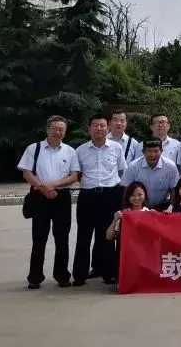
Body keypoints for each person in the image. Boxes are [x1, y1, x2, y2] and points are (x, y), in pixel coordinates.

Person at [19, 115, 80, 289]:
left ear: (65, 132)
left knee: (62, 238)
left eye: (61, 129)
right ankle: (35, 277)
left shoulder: (70, 151)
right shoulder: (34, 148)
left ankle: (62, 275)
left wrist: (53, 185)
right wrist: (43, 188)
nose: (57, 132)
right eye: (54, 128)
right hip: (39, 197)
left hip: (62, 197)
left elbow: (74, 176)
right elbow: (26, 173)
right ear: (47, 129)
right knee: (39, 238)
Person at [73, 113, 128, 286]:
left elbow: (122, 171)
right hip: (88, 195)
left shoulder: (116, 148)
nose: (99, 128)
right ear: (89, 128)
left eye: (102, 125)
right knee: (84, 235)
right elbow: (77, 174)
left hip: (110, 195)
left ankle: (108, 273)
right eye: (95, 125)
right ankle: (79, 274)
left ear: (108, 127)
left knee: (106, 235)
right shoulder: (80, 150)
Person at [105, 181, 152, 285]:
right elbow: (109, 236)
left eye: (139, 194)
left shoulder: (149, 213)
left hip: (145, 257)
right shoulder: (123, 215)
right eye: (133, 195)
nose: (136, 198)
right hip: (127, 258)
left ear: (145, 195)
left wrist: (157, 217)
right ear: (128, 197)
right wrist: (115, 220)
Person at [121, 138, 179, 209]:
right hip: (139, 207)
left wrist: (171, 206)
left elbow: (173, 188)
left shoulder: (170, 166)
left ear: (161, 151)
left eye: (156, 151)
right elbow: (126, 188)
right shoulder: (133, 166)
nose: (153, 155)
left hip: (163, 206)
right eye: (149, 151)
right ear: (143, 152)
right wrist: (125, 208)